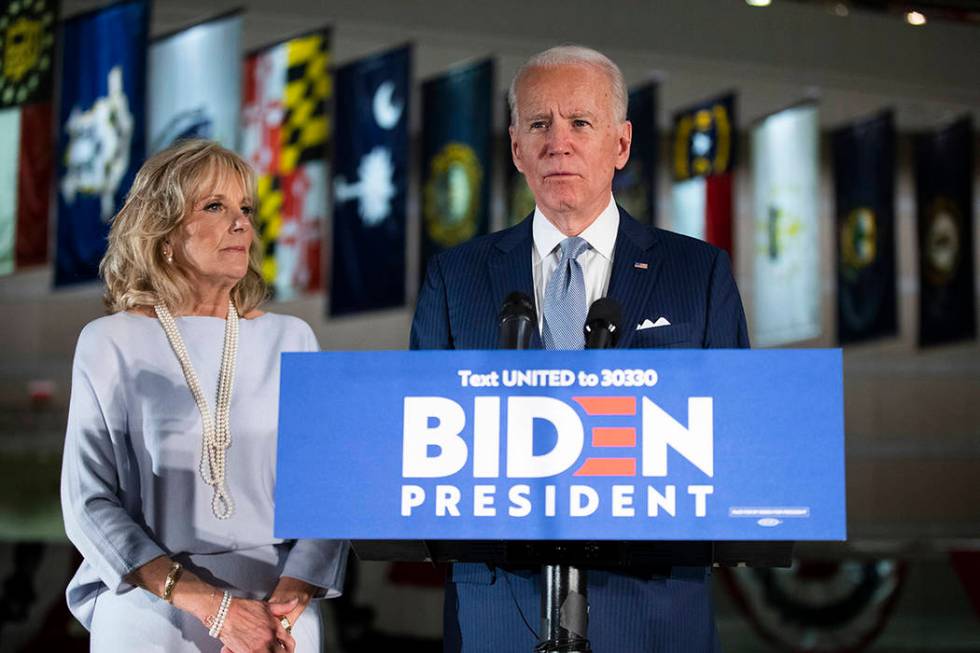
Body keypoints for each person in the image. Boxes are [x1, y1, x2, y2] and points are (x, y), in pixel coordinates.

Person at [411, 45, 748, 652]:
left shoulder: (698, 272)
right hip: (496, 611)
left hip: (652, 612)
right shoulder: (454, 277)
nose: (557, 142)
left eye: (580, 123)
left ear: (620, 144)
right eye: (539, 124)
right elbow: (419, 440)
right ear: (516, 148)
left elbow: (737, 434)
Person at [61, 139, 347, 653]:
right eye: (215, 206)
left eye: (246, 209)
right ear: (163, 231)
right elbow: (88, 502)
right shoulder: (110, 342)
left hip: (278, 613)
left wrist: (291, 594)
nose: (241, 223)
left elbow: (330, 492)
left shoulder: (293, 338)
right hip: (152, 610)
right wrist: (209, 606)